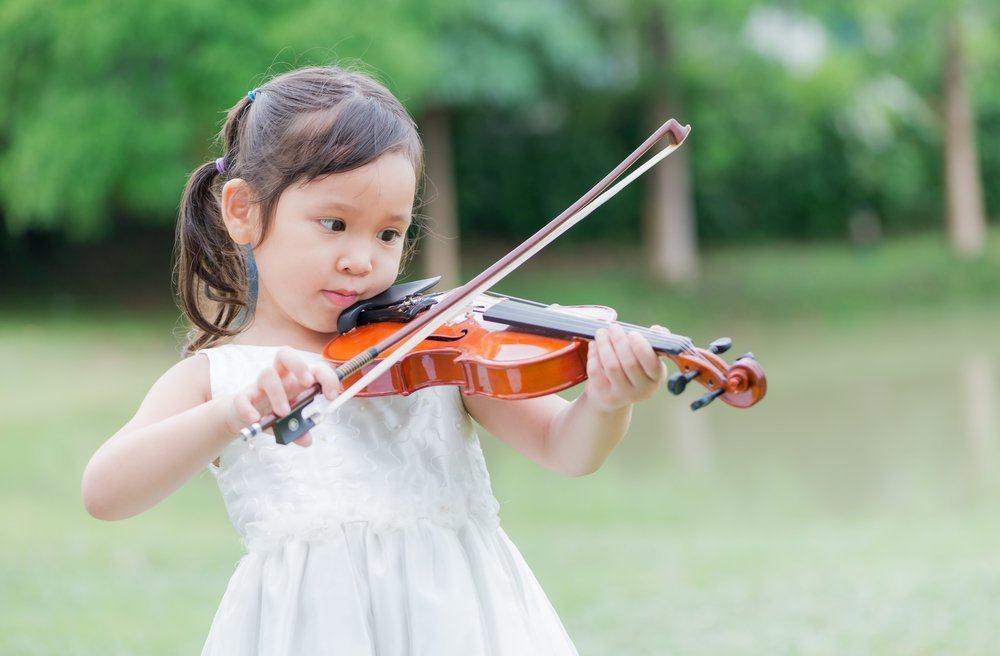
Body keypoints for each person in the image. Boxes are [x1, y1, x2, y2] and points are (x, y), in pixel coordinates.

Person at [82, 65, 670, 655]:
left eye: (389, 234)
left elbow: (565, 448)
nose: (362, 260)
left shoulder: (431, 347)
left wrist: (606, 399)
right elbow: (105, 492)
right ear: (244, 211)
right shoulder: (219, 378)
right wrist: (236, 411)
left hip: (461, 624)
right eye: (334, 224)